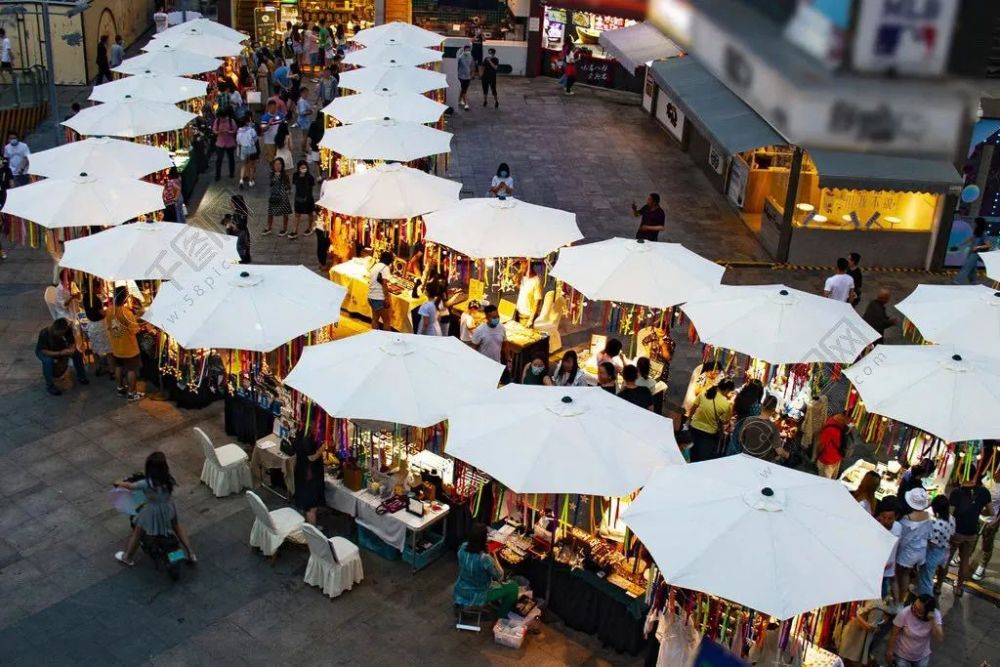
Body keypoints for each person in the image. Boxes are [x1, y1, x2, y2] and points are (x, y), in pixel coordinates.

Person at [113, 452, 196, 566]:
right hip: (168, 508)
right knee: (176, 526)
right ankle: (190, 553)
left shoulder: (147, 483)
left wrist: (119, 483)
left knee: (137, 533)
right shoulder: (168, 479)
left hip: (151, 511)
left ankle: (127, 557)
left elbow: (130, 486)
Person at [942, 473, 994, 597]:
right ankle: (959, 587)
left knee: (946, 558)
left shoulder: (956, 492)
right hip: (971, 532)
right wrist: (979, 511)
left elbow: (950, 514)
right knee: (965, 561)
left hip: (956, 531)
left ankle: (938, 585)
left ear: (962, 475)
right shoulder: (984, 492)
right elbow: (991, 512)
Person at [453, 524, 519, 618]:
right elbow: (500, 575)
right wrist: (494, 556)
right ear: (484, 539)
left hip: (461, 588)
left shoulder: (462, 547)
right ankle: (501, 615)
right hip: (478, 594)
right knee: (513, 587)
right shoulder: (484, 558)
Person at [895, 487, 932, 604]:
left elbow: (902, 539)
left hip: (907, 554)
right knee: (907, 573)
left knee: (900, 575)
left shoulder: (907, 519)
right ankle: (902, 597)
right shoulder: (927, 515)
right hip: (920, 552)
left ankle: (900, 600)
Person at [885, 594, 943, 667]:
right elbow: (894, 634)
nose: (913, 610)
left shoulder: (935, 615)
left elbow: (939, 637)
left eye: (918, 610)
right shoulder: (905, 613)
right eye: (914, 606)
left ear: (927, 612)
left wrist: (933, 620)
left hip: (922, 655)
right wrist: (889, 652)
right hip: (902, 655)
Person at [107, 287, 143, 402]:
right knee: (131, 370)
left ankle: (120, 388)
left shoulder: (109, 311)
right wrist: (137, 316)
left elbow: (109, 327)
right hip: (129, 348)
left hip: (116, 347)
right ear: (125, 298)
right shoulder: (127, 313)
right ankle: (132, 394)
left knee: (118, 367)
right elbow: (135, 330)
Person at [36, 318, 88, 396]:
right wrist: (60, 353)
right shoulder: (44, 333)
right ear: (54, 328)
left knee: (77, 354)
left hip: (61, 349)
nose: (61, 335)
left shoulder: (67, 330)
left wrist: (71, 349)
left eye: (62, 334)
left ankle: (82, 376)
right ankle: (50, 385)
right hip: (47, 351)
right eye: (59, 334)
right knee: (48, 361)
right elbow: (44, 351)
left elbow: (72, 342)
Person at [688, 379, 735, 462]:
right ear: (727, 389)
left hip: (694, 427)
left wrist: (689, 420)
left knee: (690, 452)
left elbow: (693, 408)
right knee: (700, 458)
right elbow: (725, 421)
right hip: (709, 434)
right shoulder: (726, 404)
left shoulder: (704, 393)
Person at [919, 494, 953, 596]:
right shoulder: (951, 519)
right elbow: (952, 534)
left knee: (926, 579)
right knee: (929, 575)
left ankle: (925, 599)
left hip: (933, 553)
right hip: (943, 551)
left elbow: (931, 542)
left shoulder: (936, 524)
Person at [293, 433, 325, 525]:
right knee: (311, 507)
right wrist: (323, 447)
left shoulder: (301, 432)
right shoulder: (307, 438)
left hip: (302, 471)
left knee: (306, 505)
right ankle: (312, 530)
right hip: (309, 475)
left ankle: (306, 525)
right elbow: (312, 457)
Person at [973, 474, 1000, 581]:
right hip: (978, 517)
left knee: (987, 544)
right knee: (972, 539)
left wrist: (996, 521)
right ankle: (962, 557)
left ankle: (982, 567)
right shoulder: (988, 478)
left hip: (991, 521)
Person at [82, 281, 112, 377]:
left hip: (91, 326)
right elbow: (102, 313)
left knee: (95, 349)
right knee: (108, 349)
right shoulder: (96, 299)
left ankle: (99, 367)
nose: (100, 289)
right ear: (94, 288)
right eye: (99, 287)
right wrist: (109, 310)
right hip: (100, 326)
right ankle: (111, 370)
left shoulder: (85, 297)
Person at [878, 496, 904, 602]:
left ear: (896, 517)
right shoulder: (875, 527)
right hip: (878, 568)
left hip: (888, 568)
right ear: (880, 515)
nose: (886, 521)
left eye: (890, 518)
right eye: (883, 517)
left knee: (883, 590)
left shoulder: (898, 527)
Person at [954, 216, 991, 284]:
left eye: (975, 223)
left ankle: (958, 281)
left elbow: (988, 245)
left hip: (975, 253)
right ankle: (974, 281)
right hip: (971, 252)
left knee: (966, 267)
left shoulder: (984, 234)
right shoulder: (977, 232)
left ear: (978, 224)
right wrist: (960, 244)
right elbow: (970, 239)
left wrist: (977, 247)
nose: (974, 224)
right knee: (972, 268)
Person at [815, 411, 850, 479]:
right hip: (827, 462)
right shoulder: (830, 429)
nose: (851, 422)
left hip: (836, 460)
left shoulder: (842, 424)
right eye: (851, 419)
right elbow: (821, 445)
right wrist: (817, 457)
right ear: (845, 416)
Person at [264, 157, 291, 236]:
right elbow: (270, 184)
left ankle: (285, 229)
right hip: (274, 195)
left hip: (283, 196)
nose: (277, 166)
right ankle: (269, 227)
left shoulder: (285, 175)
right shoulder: (271, 174)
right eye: (276, 164)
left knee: (285, 212)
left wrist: (286, 190)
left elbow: (288, 186)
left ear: (282, 165)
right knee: (270, 212)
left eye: (279, 164)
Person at [367, 251, 393, 331]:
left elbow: (378, 282)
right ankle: (386, 337)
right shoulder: (385, 268)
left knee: (375, 319)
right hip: (379, 298)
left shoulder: (376, 266)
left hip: (371, 297)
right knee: (387, 321)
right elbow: (384, 283)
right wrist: (386, 298)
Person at [290, 160, 315, 240]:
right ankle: (294, 230)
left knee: (310, 213)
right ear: (299, 168)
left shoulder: (310, 177)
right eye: (302, 167)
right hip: (298, 198)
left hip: (308, 198)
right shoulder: (295, 175)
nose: (303, 169)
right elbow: (295, 184)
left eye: (305, 167)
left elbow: (311, 187)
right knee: (297, 214)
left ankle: (310, 227)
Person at [213, 107, 238, 181]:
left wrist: (229, 132)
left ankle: (231, 173)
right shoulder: (217, 121)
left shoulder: (231, 121)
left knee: (231, 159)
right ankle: (217, 175)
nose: (222, 118)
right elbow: (214, 130)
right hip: (220, 143)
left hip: (230, 143)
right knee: (219, 160)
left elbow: (235, 130)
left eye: (223, 117)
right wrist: (218, 132)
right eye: (221, 117)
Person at [236, 114, 259, 189]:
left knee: (243, 165)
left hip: (243, 149)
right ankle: (250, 181)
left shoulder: (239, 130)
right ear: (247, 122)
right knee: (251, 166)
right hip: (251, 149)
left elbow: (238, 141)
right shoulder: (251, 130)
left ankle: (241, 180)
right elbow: (255, 139)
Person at [259, 99, 285, 164]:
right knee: (271, 158)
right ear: (268, 108)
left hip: (279, 140)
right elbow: (263, 129)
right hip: (269, 141)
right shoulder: (265, 117)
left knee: (280, 157)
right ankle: (273, 169)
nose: (274, 109)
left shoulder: (280, 115)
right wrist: (269, 123)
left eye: (275, 107)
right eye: (272, 108)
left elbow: (284, 125)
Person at [295, 84, 314, 152]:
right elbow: (302, 112)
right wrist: (310, 112)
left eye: (307, 92)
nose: (307, 94)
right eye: (306, 92)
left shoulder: (302, 100)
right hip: (304, 121)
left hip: (304, 120)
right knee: (305, 136)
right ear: (302, 93)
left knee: (305, 135)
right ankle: (303, 150)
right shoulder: (302, 101)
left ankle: (303, 149)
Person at [456, 44, 473, 111]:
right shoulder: (460, 57)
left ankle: (459, 100)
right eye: (466, 50)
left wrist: (471, 74)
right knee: (464, 90)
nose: (468, 51)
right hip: (461, 76)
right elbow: (457, 66)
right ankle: (466, 104)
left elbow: (471, 65)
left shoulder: (470, 57)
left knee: (464, 89)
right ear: (464, 50)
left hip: (467, 76)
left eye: (469, 50)